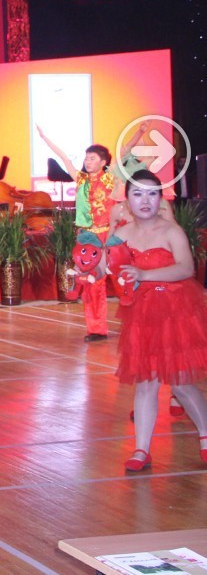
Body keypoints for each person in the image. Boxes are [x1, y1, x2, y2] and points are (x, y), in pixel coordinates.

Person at [105, 168, 207, 472]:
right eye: (138, 194)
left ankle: (205, 434)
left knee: (182, 383)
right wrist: (86, 269)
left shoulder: (172, 231)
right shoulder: (121, 234)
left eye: (152, 194)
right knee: (146, 382)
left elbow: (186, 269)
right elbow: (106, 266)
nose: (145, 200)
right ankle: (141, 450)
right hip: (141, 316)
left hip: (176, 313)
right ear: (127, 200)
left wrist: (144, 275)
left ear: (160, 199)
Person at [38, 124, 150, 341]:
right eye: (86, 158)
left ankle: (138, 324)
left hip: (111, 236)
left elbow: (125, 152)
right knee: (91, 284)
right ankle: (97, 329)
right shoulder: (81, 179)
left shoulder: (110, 177)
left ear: (103, 162)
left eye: (92, 158)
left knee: (124, 280)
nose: (87, 161)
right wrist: (45, 138)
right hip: (89, 239)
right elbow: (64, 158)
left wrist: (139, 133)